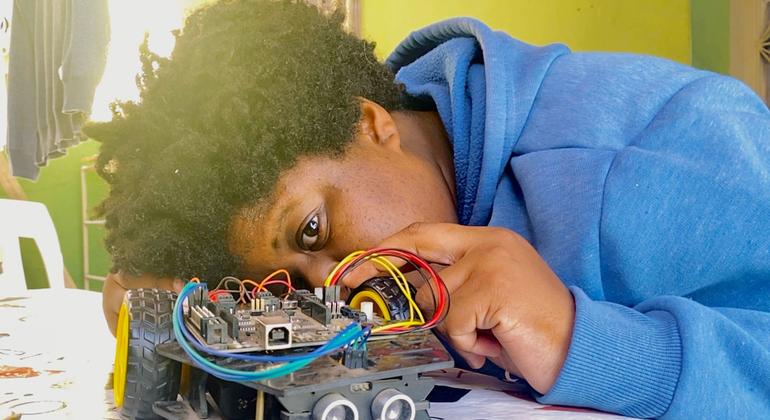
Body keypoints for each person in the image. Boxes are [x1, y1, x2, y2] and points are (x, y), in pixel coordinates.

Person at [88, 0, 770, 417]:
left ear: (369, 122)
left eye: (313, 230)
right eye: (296, 281)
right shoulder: (391, 169)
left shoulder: (666, 144)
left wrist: (575, 337)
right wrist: (181, 318)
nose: (331, 290)